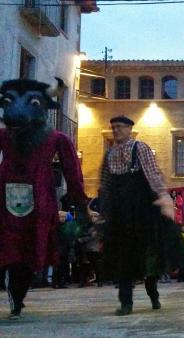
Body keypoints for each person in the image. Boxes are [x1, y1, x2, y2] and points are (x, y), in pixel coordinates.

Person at [0, 79, 87, 320]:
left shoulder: (54, 139)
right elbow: (74, 178)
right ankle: (17, 297)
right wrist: (82, 207)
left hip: (28, 200)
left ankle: (17, 297)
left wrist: (81, 206)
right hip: (32, 200)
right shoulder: (54, 138)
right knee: (23, 251)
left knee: (19, 251)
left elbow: (73, 176)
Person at [99, 115, 184, 315]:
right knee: (123, 256)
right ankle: (126, 302)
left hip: (142, 210)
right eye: (113, 127)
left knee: (148, 254)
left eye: (119, 127)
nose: (115, 131)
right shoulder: (109, 154)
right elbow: (105, 183)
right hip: (120, 212)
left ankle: (153, 293)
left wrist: (164, 197)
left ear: (130, 129)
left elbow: (153, 173)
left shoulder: (139, 148)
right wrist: (103, 209)